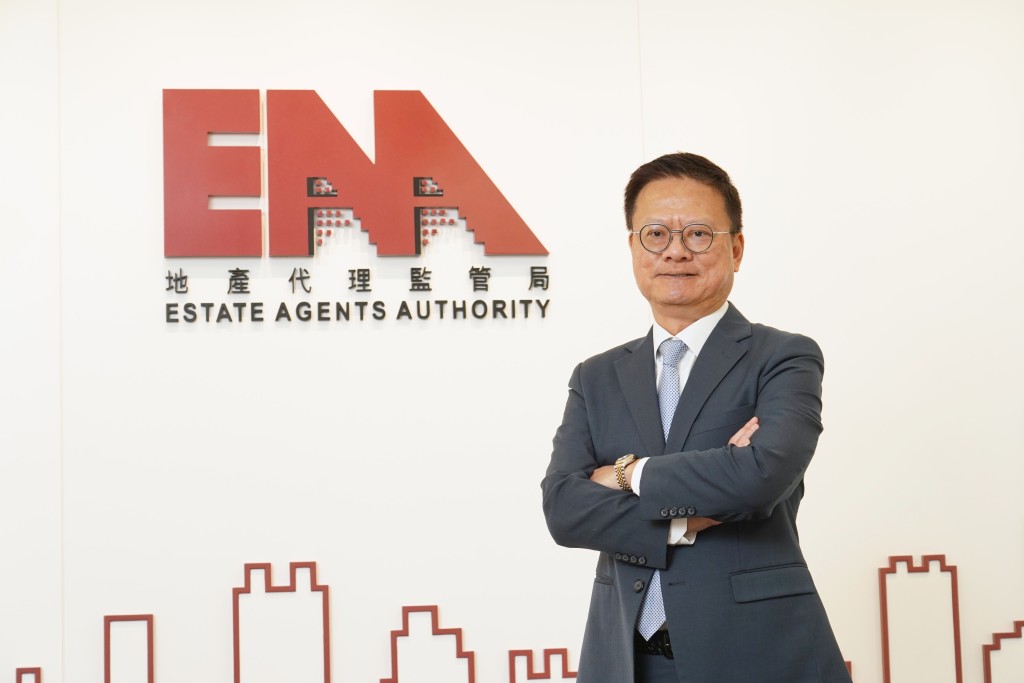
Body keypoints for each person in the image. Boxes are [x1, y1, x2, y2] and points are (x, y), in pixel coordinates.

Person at [541, 152, 851, 682]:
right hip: (627, 661)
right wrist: (682, 522)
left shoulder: (783, 357)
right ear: (633, 248)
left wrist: (625, 474)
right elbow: (564, 509)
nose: (675, 251)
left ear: (736, 248)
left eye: (699, 234)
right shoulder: (596, 377)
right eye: (655, 234)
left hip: (756, 655)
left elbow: (760, 476)